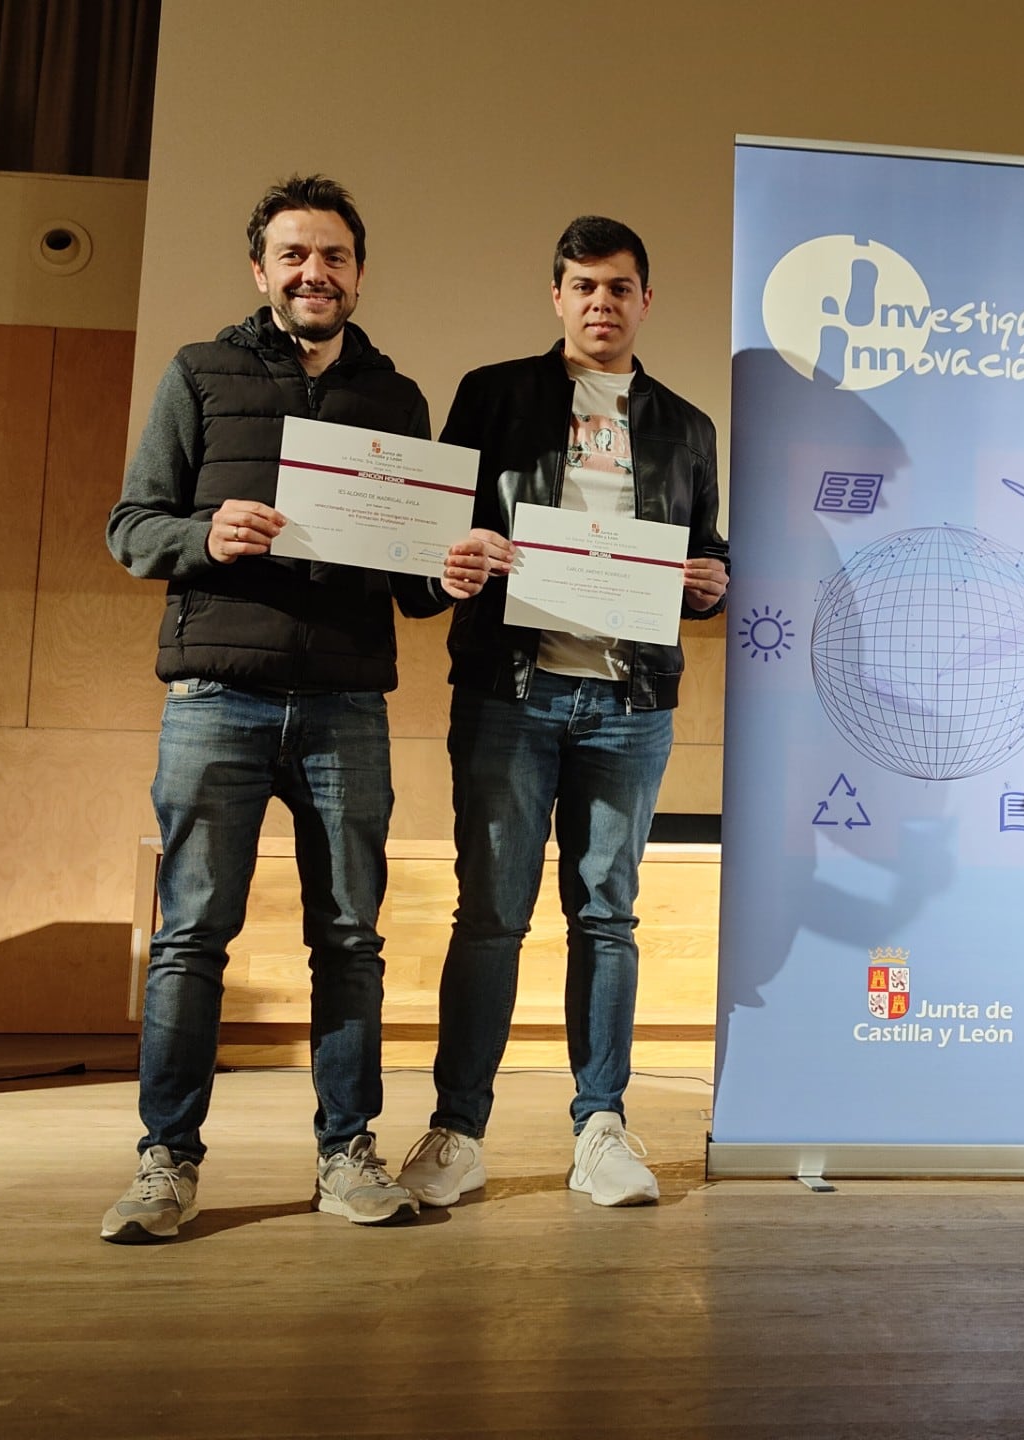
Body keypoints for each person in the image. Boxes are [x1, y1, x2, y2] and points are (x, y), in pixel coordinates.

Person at [101, 175, 503, 1242]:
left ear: (358, 273)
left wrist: (449, 574)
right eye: (293, 254)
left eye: (333, 256)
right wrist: (203, 535)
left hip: (343, 707)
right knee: (190, 937)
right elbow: (132, 526)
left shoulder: (399, 399)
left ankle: (346, 1152)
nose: (314, 272)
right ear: (261, 270)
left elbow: (411, 583)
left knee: (352, 940)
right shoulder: (199, 372)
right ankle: (166, 1163)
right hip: (214, 698)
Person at [397, 216, 729, 1209]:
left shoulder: (686, 424)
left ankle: (602, 1127)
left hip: (629, 703)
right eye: (582, 285)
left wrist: (715, 581)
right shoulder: (494, 396)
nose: (600, 302)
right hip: (511, 691)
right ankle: (458, 1131)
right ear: (556, 296)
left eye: (619, 287)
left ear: (644, 301)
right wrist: (451, 561)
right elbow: (435, 531)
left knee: (608, 916)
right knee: (491, 914)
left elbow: (707, 551)